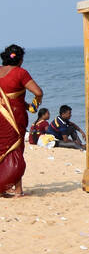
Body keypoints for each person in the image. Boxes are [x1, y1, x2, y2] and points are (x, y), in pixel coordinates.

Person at [0, 44, 43, 196]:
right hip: (14, 119)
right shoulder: (20, 73)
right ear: (20, 60)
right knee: (16, 150)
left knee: (2, 149)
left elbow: (6, 96)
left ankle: (3, 186)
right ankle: (17, 189)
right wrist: (33, 107)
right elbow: (38, 92)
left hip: (1, 117)